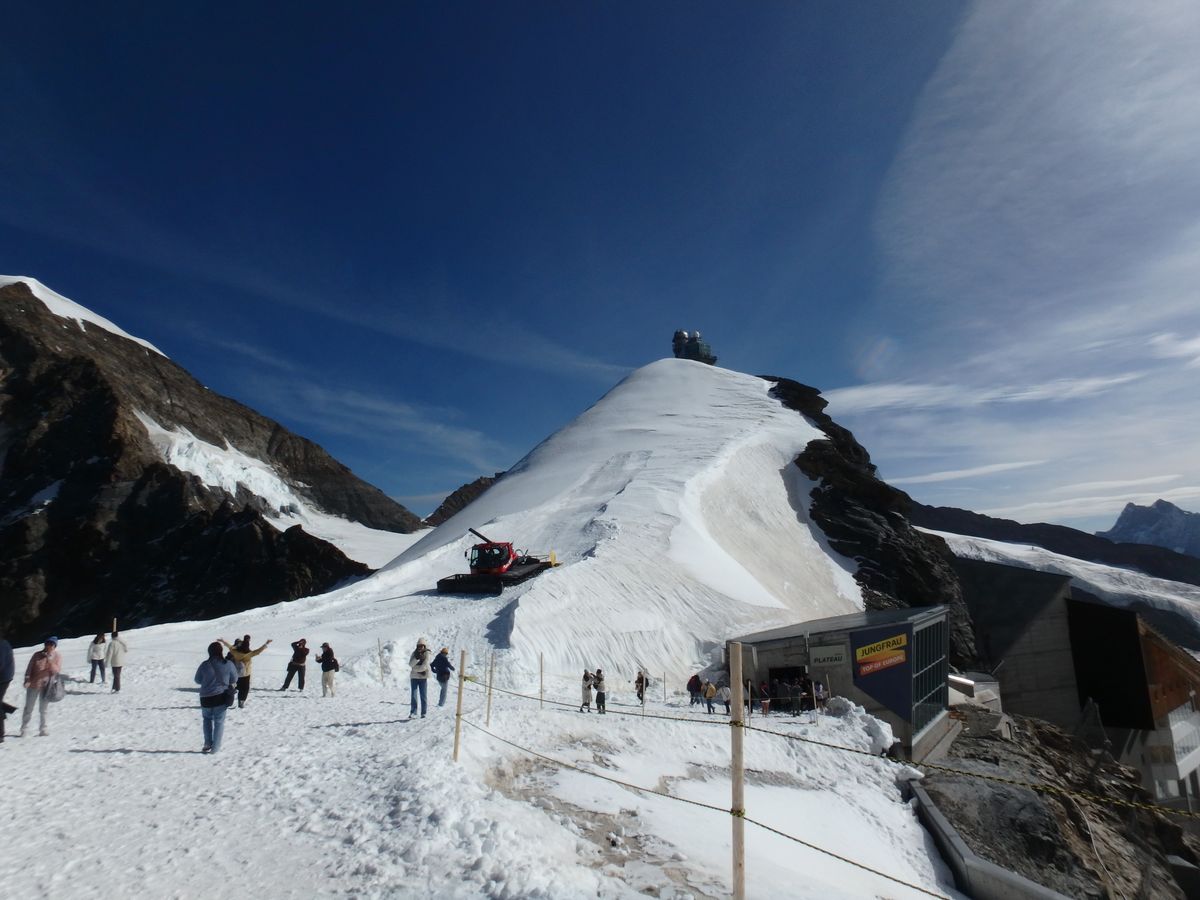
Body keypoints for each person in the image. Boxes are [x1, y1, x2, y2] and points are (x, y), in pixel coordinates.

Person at [195, 641, 237, 754]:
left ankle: (207, 743)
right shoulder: (228, 664)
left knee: (207, 720)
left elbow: (197, 680)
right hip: (221, 697)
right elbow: (234, 679)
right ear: (221, 651)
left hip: (205, 698)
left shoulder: (204, 665)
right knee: (219, 722)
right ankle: (215, 748)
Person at [20, 637, 62, 737]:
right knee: (29, 708)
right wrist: (27, 679)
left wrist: (50, 660)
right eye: (48, 644)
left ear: (55, 646)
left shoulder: (57, 656)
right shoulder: (37, 655)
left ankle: (43, 729)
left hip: (47, 686)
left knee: (44, 709)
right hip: (33, 685)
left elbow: (56, 671)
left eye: (52, 644)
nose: (49, 646)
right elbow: (29, 668)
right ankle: (24, 728)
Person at [220, 635, 272, 708]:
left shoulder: (235, 652)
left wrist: (223, 641)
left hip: (235, 674)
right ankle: (241, 702)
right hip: (245, 675)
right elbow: (258, 651)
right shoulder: (249, 654)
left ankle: (229, 700)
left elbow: (230, 647)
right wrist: (266, 643)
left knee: (232, 688)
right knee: (244, 689)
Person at [409, 638, 432, 718]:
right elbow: (410, 664)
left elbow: (425, 666)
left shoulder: (427, 653)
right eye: (419, 646)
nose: (420, 647)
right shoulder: (414, 653)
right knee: (413, 695)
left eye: (422, 646)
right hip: (414, 677)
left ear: (424, 646)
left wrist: (415, 669)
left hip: (423, 677)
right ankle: (413, 712)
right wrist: (417, 658)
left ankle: (423, 712)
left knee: (423, 695)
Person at [0, 634, 14, 743]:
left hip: (2, 678)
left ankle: (0, 734)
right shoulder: (4, 643)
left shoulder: (2, 645)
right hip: (6, 677)